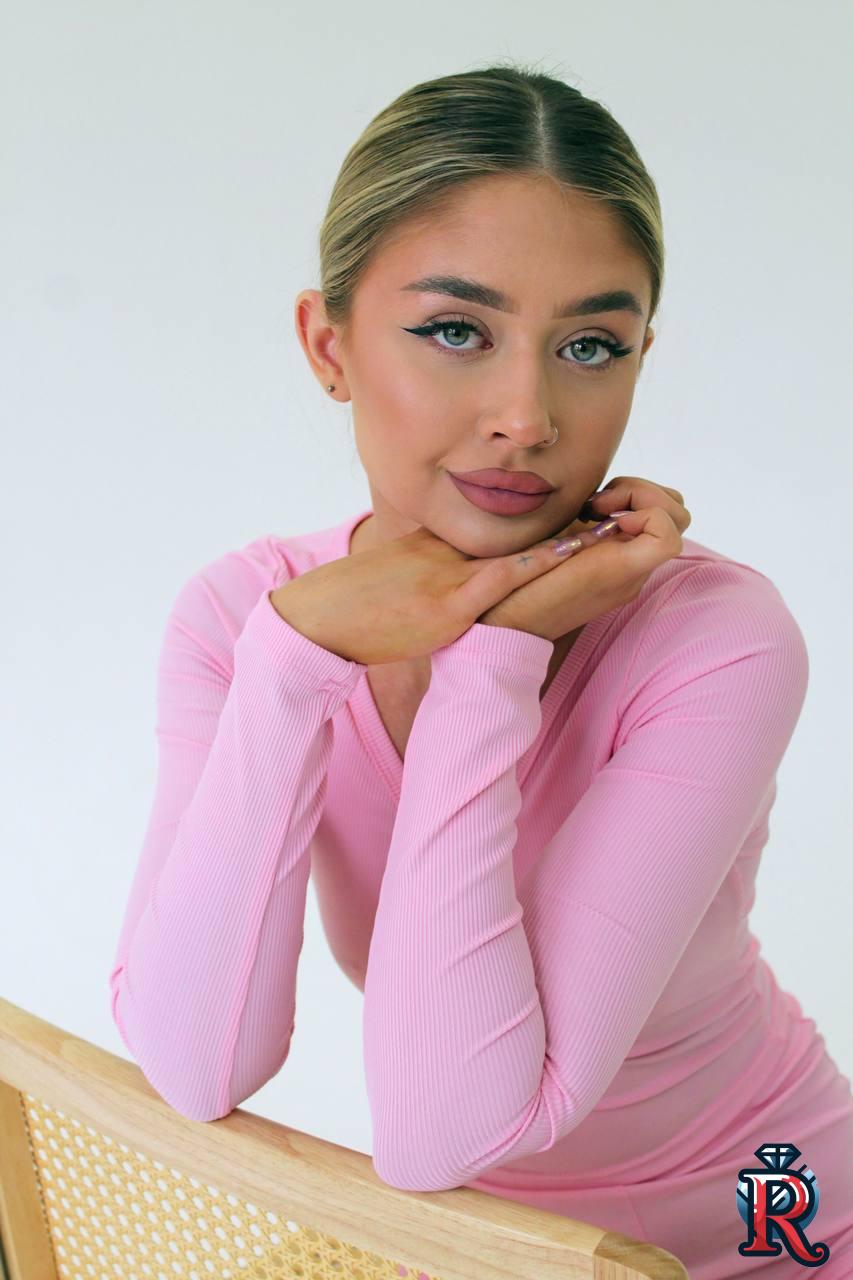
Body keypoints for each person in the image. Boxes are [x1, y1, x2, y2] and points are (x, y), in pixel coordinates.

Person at [108, 62, 853, 1277]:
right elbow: (195, 1064)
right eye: (456, 330)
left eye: (590, 345)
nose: (528, 414)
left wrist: (489, 655)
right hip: (479, 1245)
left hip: (771, 1218)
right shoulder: (248, 619)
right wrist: (291, 666)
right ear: (328, 344)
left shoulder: (716, 636)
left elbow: (445, 1131)